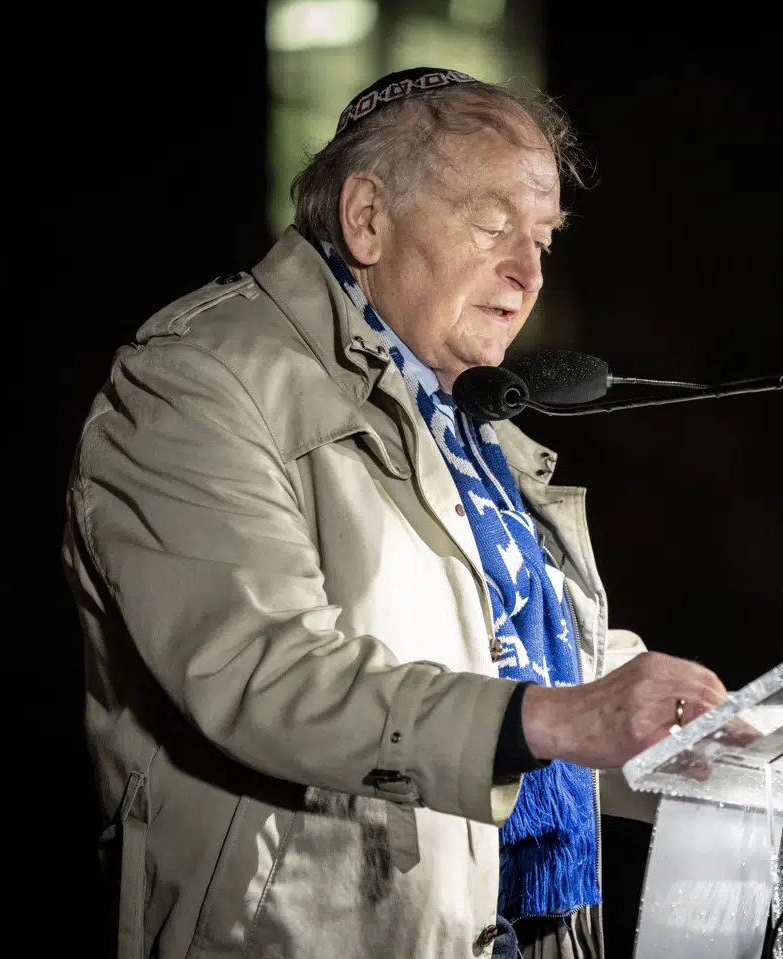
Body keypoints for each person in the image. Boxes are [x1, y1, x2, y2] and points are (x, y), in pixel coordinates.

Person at [63, 67, 730, 959]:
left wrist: (719, 732)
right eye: (494, 224)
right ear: (367, 217)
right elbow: (261, 672)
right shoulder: (197, 380)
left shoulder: (461, 416)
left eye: (544, 238)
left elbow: (504, 652)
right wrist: (559, 717)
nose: (528, 273)